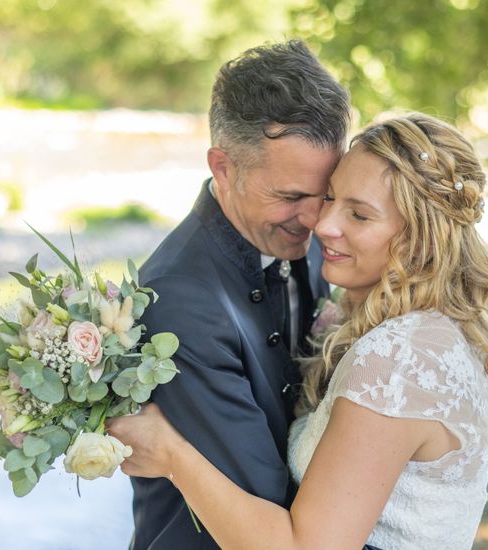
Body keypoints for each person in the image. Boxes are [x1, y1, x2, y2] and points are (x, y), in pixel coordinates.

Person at [110, 113, 488, 549]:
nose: (322, 225)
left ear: (423, 240)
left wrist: (172, 456)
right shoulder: (429, 328)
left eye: (359, 215)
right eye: (330, 197)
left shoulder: (400, 359)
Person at [128, 40, 350, 550]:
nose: (318, 221)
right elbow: (265, 498)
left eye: (327, 193)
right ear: (224, 168)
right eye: (290, 196)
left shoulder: (306, 237)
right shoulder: (178, 300)